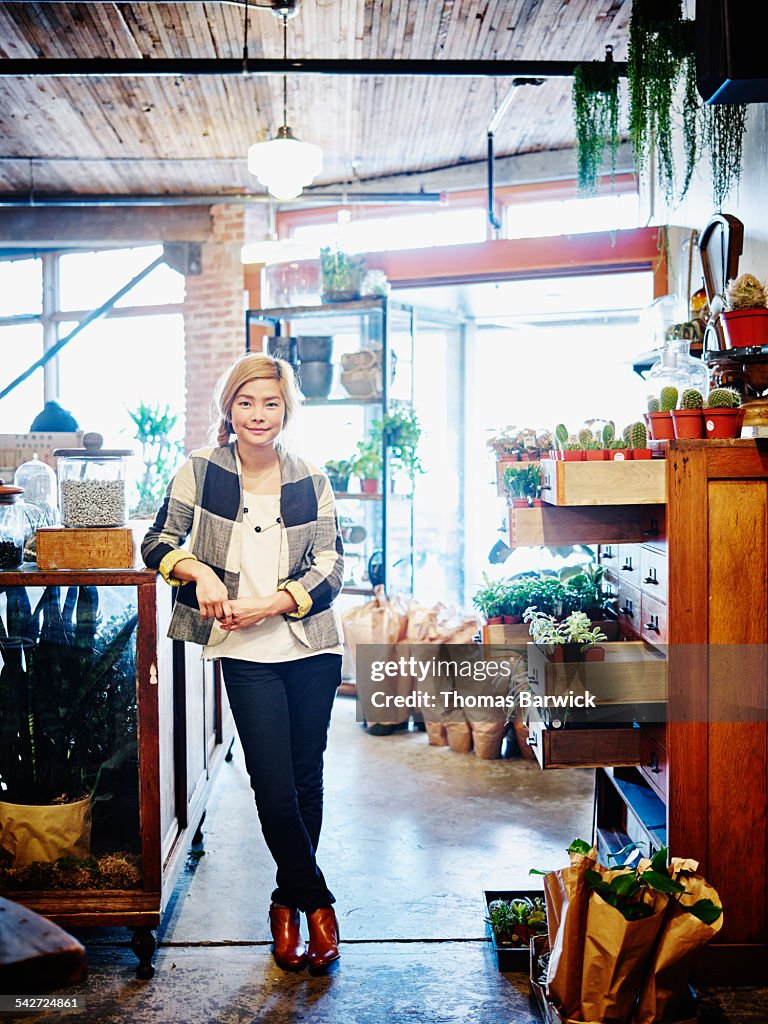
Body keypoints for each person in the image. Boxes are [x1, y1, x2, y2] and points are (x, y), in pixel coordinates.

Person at [141, 352, 344, 975]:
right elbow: (156, 543)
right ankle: (319, 905)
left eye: (271, 403)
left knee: (305, 782)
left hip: (311, 647)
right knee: (273, 788)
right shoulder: (201, 473)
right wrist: (197, 569)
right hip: (245, 654)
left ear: (286, 410)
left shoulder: (309, 475)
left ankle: (284, 904)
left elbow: (332, 566)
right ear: (228, 408)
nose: (259, 415)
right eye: (247, 402)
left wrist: (274, 603)